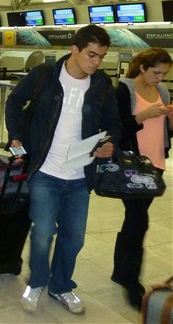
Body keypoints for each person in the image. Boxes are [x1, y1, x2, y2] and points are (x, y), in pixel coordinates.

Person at [5, 24, 121, 315]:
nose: (96, 62)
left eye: (101, 56)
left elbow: (113, 124)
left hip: (80, 175)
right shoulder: (44, 76)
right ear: (74, 50)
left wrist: (110, 144)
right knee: (43, 232)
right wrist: (15, 136)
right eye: (92, 55)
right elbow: (14, 102)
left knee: (74, 237)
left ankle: (60, 285)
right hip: (46, 171)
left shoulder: (101, 85)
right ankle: (37, 282)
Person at [112, 47, 172, 309]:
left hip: (156, 164)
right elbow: (117, 130)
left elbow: (166, 132)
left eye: (164, 74)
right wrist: (143, 116)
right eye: (156, 73)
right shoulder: (125, 90)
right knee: (138, 220)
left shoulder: (162, 91)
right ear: (143, 68)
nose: (160, 78)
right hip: (133, 165)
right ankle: (130, 280)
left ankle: (121, 271)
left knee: (134, 219)